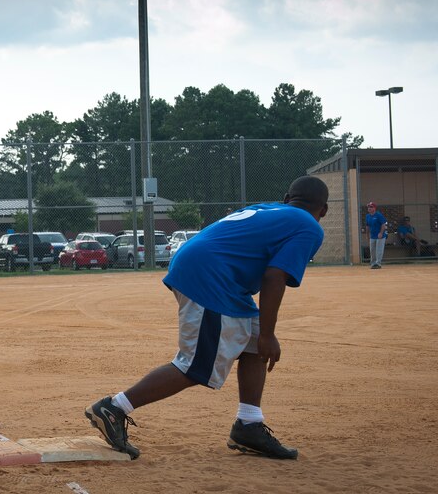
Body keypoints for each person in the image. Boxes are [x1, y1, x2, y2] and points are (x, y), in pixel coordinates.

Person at [84, 175, 329, 460]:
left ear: (287, 199)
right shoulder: (309, 226)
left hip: (209, 270)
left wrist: (261, 334)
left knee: (252, 346)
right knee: (195, 364)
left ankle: (248, 425)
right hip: (211, 276)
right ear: (323, 210)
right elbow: (275, 276)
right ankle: (114, 407)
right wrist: (268, 334)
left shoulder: (269, 209)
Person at [365, 202, 387, 269]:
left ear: (374, 208)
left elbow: (383, 225)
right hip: (372, 236)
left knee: (379, 250)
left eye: (371, 207)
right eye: (368, 207)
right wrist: (367, 235)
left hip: (380, 236)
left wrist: (381, 233)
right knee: (372, 250)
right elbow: (367, 226)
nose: (369, 208)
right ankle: (373, 263)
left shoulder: (378, 215)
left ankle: (378, 263)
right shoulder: (367, 216)